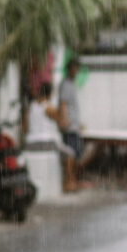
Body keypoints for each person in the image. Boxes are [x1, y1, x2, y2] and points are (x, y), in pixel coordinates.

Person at [54, 57, 85, 191]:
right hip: (69, 127)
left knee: (76, 154)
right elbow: (63, 103)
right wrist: (64, 120)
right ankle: (69, 182)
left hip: (74, 125)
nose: (76, 71)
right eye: (74, 68)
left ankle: (73, 181)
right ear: (69, 69)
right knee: (70, 156)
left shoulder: (72, 84)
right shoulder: (65, 85)